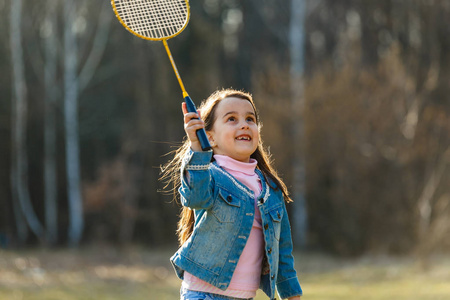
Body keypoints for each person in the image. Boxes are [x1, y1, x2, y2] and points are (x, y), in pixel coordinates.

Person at [162, 89, 302, 300]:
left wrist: (291, 295)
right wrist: (196, 149)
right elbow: (194, 197)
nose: (244, 124)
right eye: (231, 119)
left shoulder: (271, 190)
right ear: (210, 137)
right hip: (203, 295)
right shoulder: (210, 176)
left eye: (250, 119)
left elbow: (282, 253)